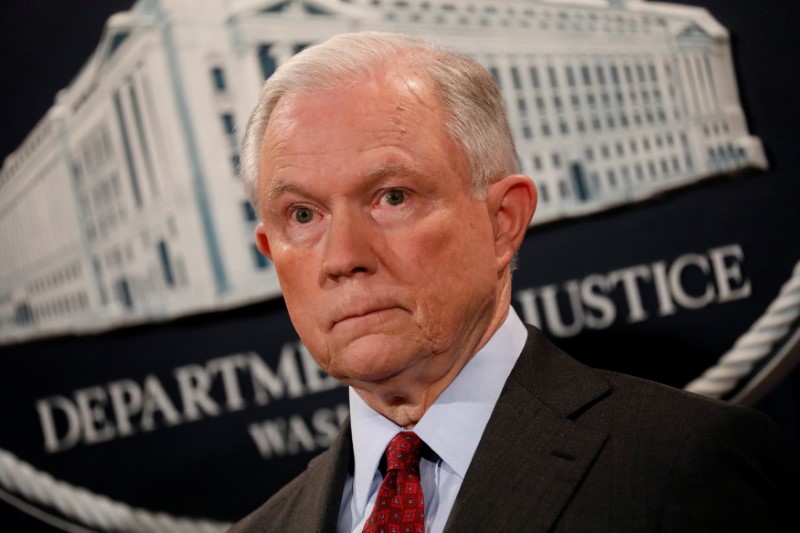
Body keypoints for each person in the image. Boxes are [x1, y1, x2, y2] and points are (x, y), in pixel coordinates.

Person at [230, 32, 798, 532]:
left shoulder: (679, 464)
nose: (343, 257)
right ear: (271, 253)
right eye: (303, 215)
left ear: (502, 221)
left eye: (393, 197)